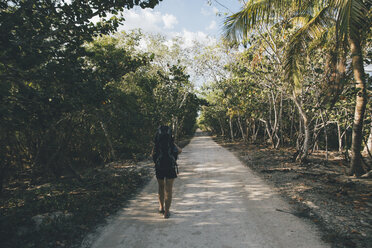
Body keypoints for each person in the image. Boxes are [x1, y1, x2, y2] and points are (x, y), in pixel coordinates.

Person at [152, 125, 182, 219]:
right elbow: (180, 151)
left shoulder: (157, 143)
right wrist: (173, 143)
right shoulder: (171, 143)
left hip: (159, 167)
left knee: (161, 187)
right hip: (170, 167)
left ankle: (161, 207)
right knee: (168, 190)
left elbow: (152, 154)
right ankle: (167, 212)